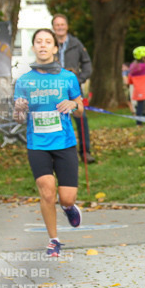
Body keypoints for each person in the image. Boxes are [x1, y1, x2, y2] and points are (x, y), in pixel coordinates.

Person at [13, 29, 84, 257]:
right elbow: (18, 118)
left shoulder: (67, 77)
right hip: (38, 145)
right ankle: (54, 240)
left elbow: (81, 109)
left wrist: (73, 105)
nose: (42, 45)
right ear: (33, 47)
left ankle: (68, 207)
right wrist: (19, 110)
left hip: (64, 143)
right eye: (38, 42)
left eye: (47, 42)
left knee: (66, 197)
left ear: (55, 48)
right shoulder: (24, 81)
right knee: (47, 192)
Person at [51, 15, 95, 164]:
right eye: (57, 25)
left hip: (73, 88)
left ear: (67, 26)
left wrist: (79, 79)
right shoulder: (50, 44)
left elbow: (87, 64)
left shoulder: (76, 44)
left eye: (62, 24)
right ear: (53, 27)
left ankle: (85, 152)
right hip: (54, 89)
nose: (60, 27)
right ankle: (57, 152)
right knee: (56, 119)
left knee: (81, 118)